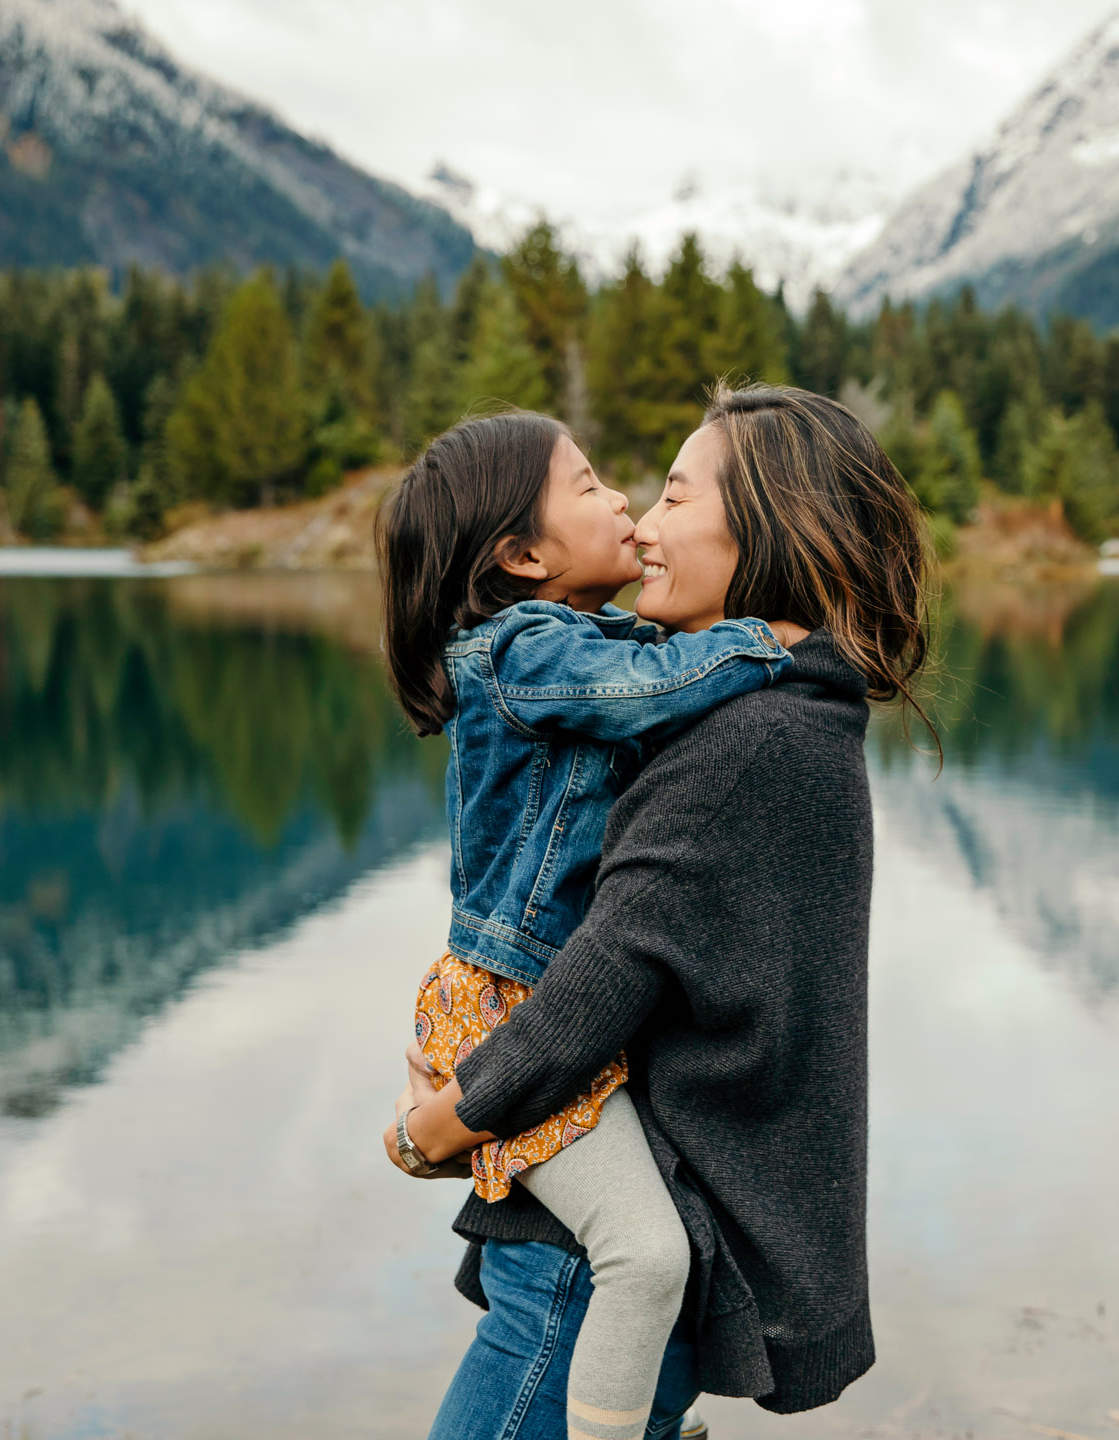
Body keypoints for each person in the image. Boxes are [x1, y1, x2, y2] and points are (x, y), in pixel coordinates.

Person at [395, 385, 933, 1431]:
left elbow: (602, 981)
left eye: (675, 498)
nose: (639, 520)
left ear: (768, 527)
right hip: (618, 1225)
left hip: (586, 1271)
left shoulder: (749, 739)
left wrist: (432, 1127)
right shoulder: (772, 715)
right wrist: (461, 1024)